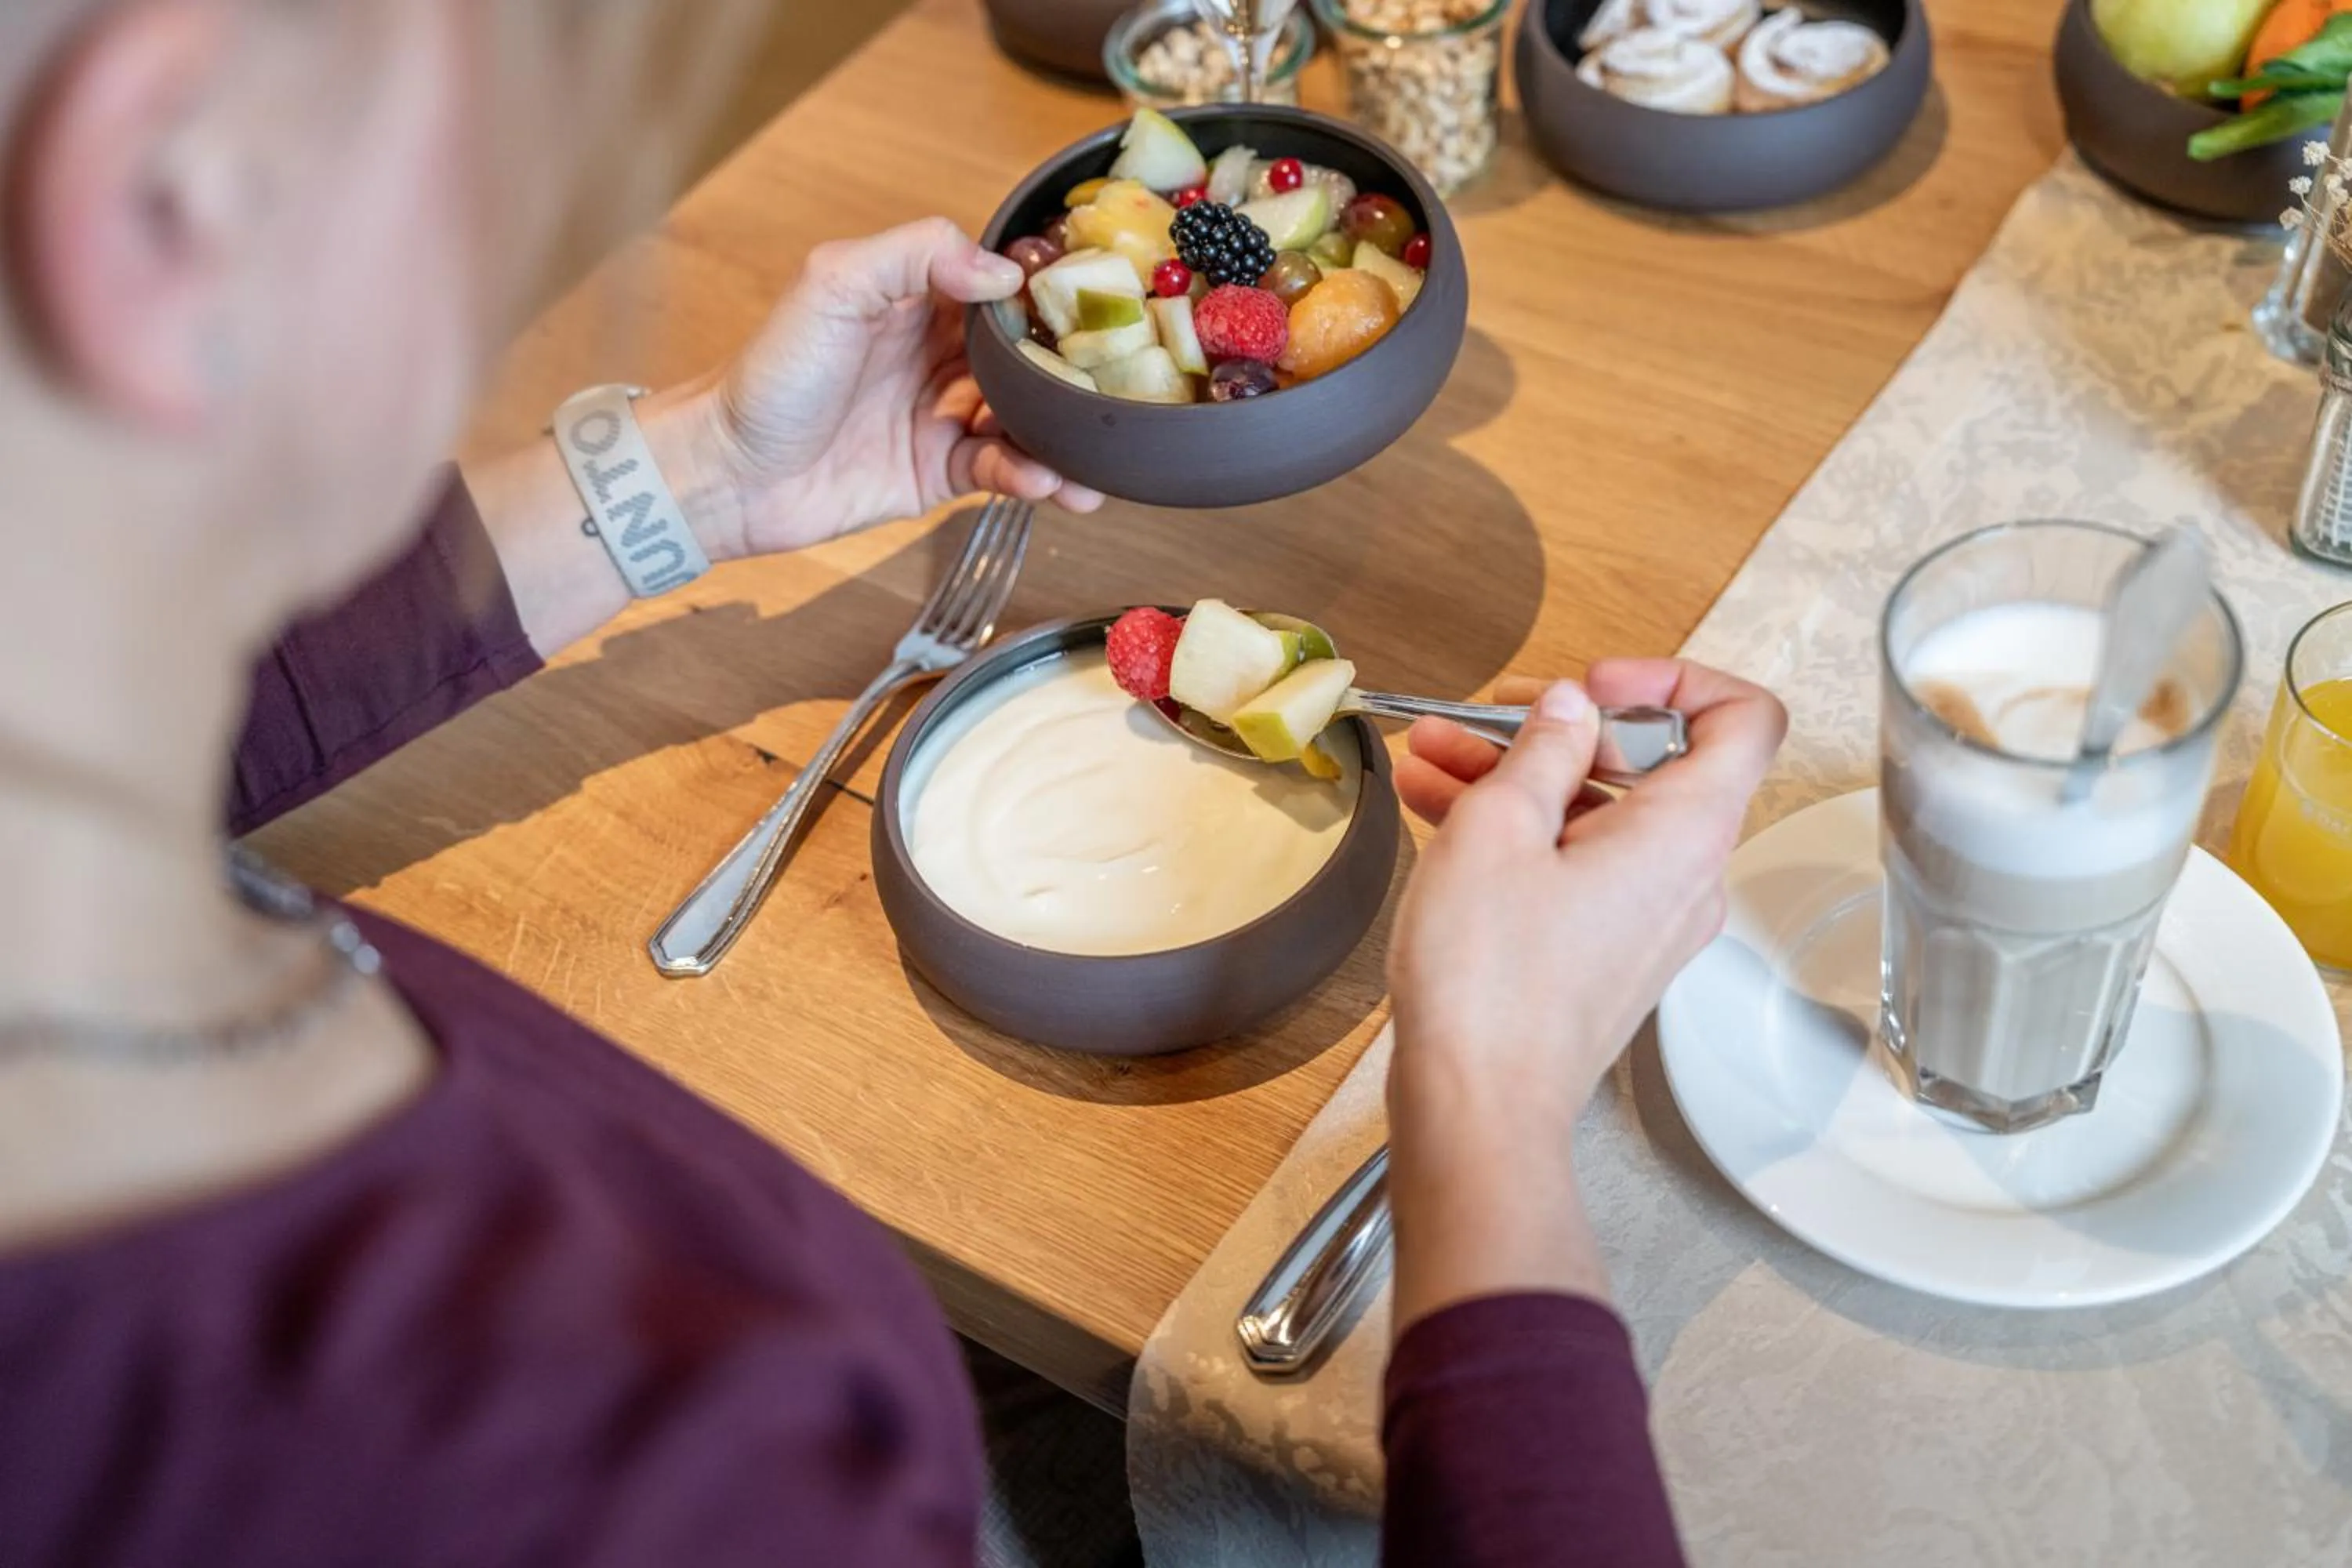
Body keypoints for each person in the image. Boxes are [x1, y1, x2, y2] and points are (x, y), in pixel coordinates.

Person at [0, 2, 1786, 1565]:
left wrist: (700, 475)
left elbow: (182, 715)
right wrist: (1489, 1075)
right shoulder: (595, 1461)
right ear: (169, 184)